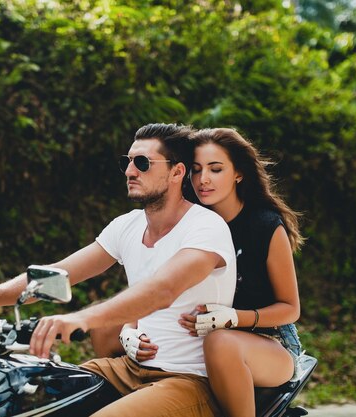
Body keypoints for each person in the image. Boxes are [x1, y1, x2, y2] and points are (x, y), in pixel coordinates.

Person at [0, 123, 237, 417]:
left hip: (187, 378)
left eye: (143, 163)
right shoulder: (128, 225)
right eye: (127, 162)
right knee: (34, 398)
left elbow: (163, 290)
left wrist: (80, 319)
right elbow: (59, 274)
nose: (129, 171)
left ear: (177, 172)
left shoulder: (205, 226)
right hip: (128, 369)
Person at [116, 127, 305, 417]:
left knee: (222, 343)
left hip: (266, 341)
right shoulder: (187, 222)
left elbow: (290, 309)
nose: (203, 179)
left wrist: (232, 318)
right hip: (198, 337)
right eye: (196, 170)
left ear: (238, 173)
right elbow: (154, 286)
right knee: (107, 327)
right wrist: (129, 328)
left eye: (215, 169)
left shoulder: (265, 226)